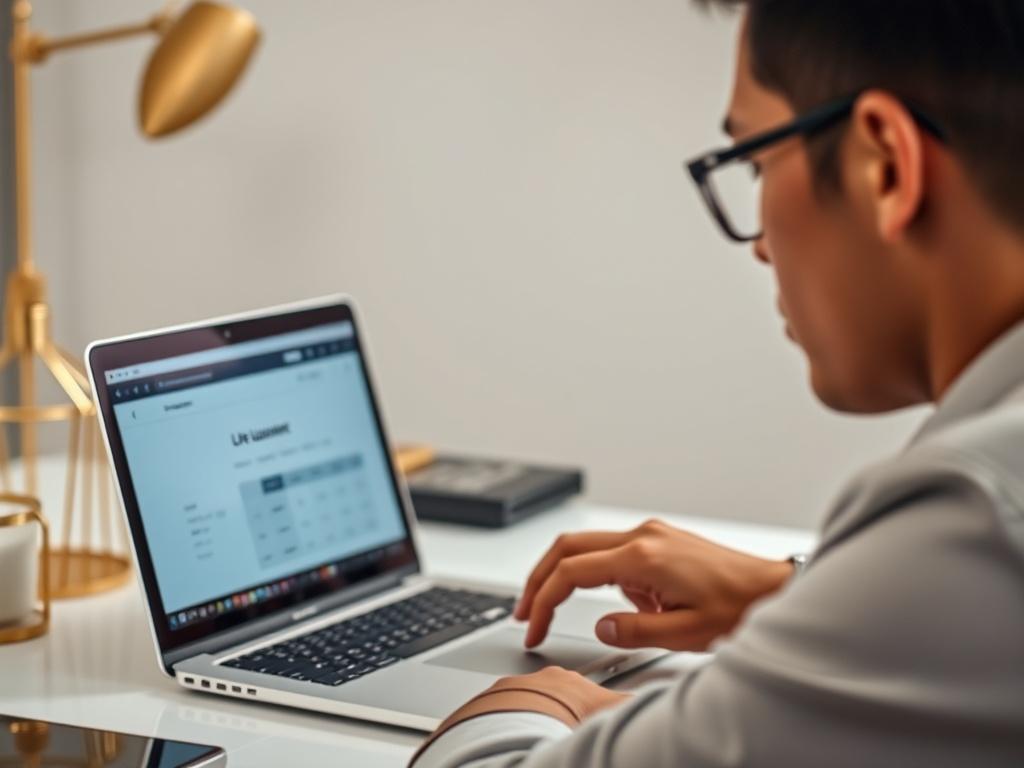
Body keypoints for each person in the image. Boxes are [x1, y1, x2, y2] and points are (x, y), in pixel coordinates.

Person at [410, 1, 1024, 765]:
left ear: (886, 165)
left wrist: (535, 704)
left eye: (759, 162)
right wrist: (796, 599)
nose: (762, 246)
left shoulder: (975, 515)